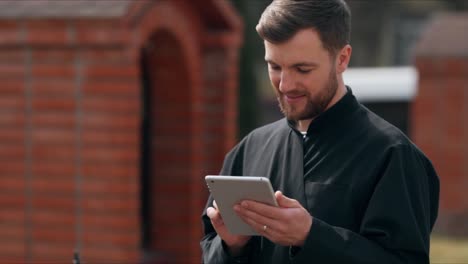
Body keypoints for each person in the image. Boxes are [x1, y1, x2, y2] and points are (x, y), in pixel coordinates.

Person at [200, 0, 440, 263]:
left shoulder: (394, 156)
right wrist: (231, 247)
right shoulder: (248, 150)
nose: (285, 85)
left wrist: (311, 236)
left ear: (342, 59)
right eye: (275, 67)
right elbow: (210, 251)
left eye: (302, 69)